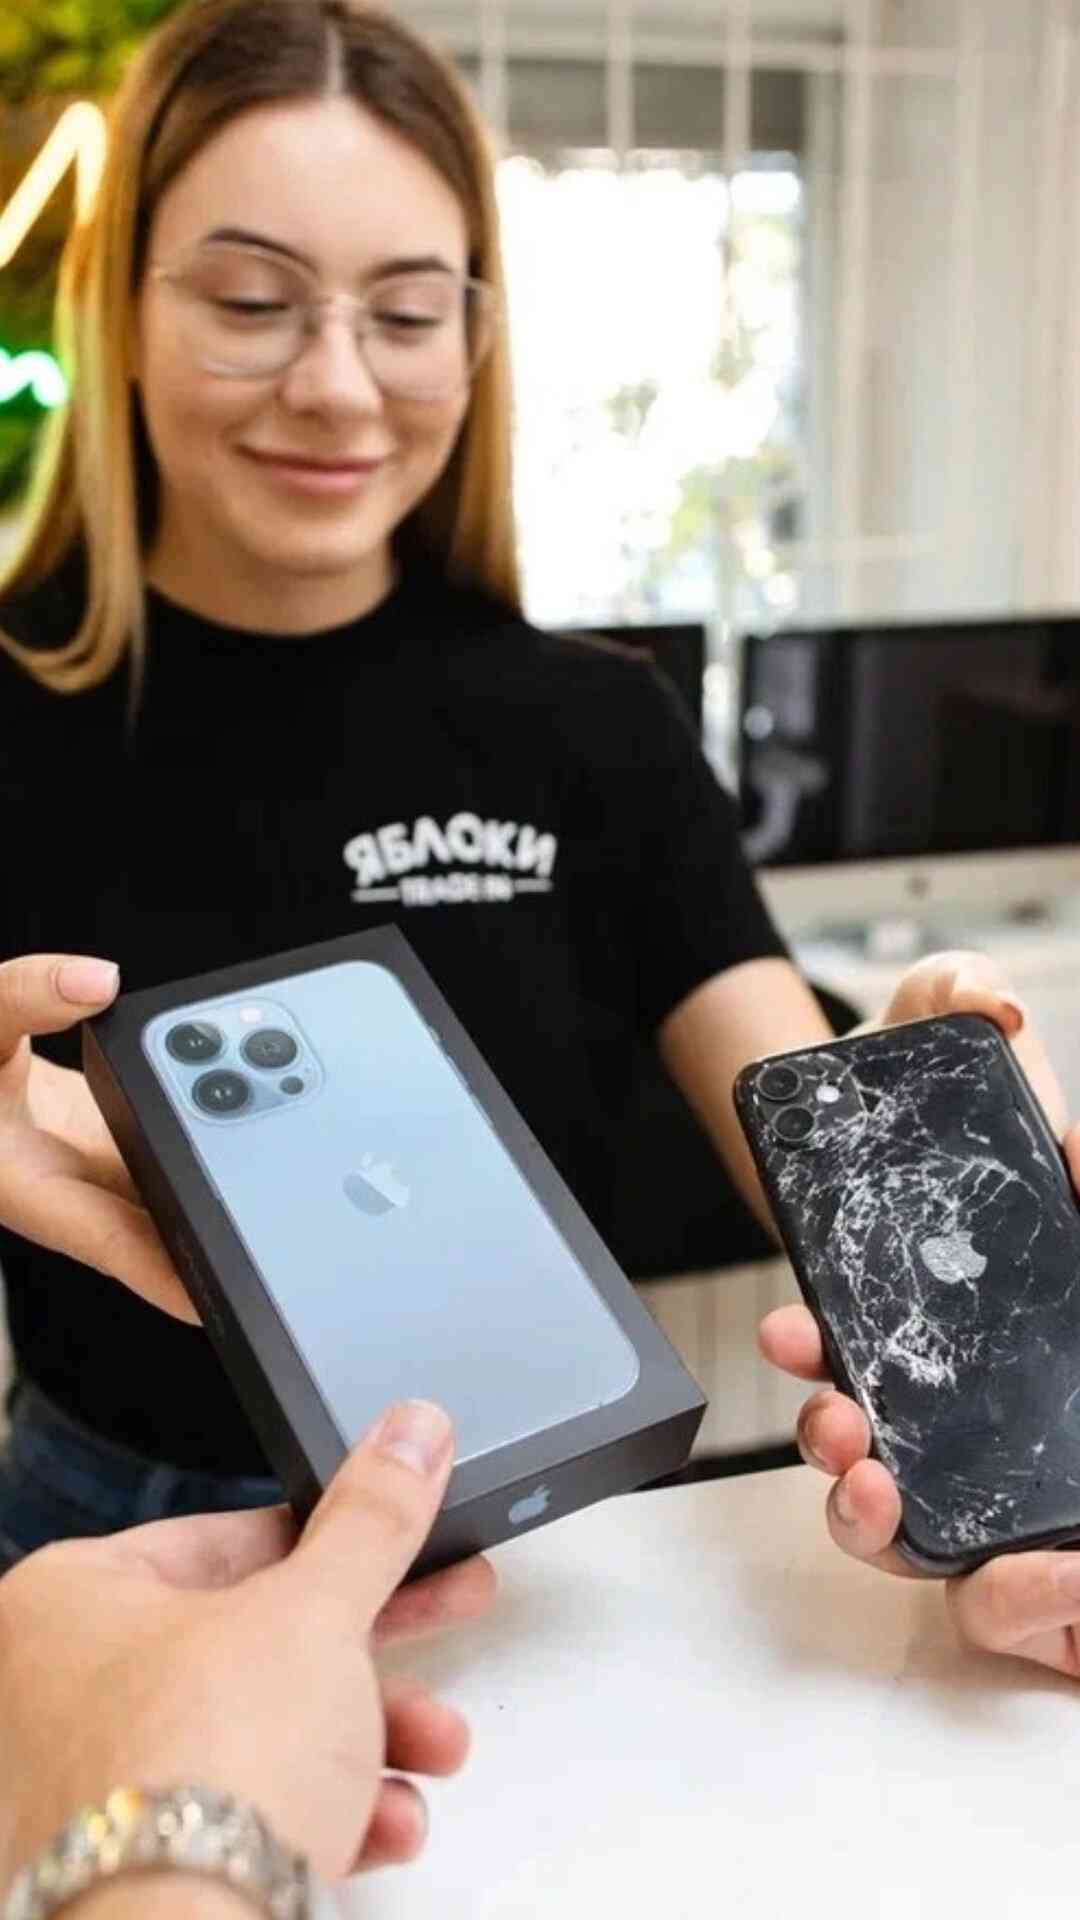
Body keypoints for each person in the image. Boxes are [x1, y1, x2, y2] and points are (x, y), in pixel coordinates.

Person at [0, 0, 1076, 1899]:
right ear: (121, 307)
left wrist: (902, 1126)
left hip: (552, 1557)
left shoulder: (588, 724)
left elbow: (776, 1069)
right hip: (108, 1561)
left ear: (476, 340)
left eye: (408, 313)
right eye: (251, 301)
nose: (339, 386)